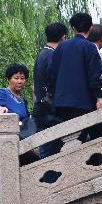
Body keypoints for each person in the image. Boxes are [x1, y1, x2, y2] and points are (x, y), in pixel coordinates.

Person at [51, 12, 102, 126]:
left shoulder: (61, 46)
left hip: (61, 102)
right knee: (80, 138)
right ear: (90, 28)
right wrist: (99, 98)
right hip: (82, 102)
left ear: (73, 28)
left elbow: (52, 73)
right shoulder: (90, 47)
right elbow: (94, 75)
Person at [33, 21, 68, 158]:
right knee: (52, 154)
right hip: (50, 110)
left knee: (47, 151)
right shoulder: (53, 55)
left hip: (40, 108)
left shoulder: (42, 54)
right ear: (63, 37)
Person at [0, 63, 31, 145]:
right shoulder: (3, 93)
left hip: (20, 140)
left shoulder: (22, 100)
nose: (19, 81)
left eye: (22, 78)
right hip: (6, 143)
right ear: (8, 80)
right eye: (16, 78)